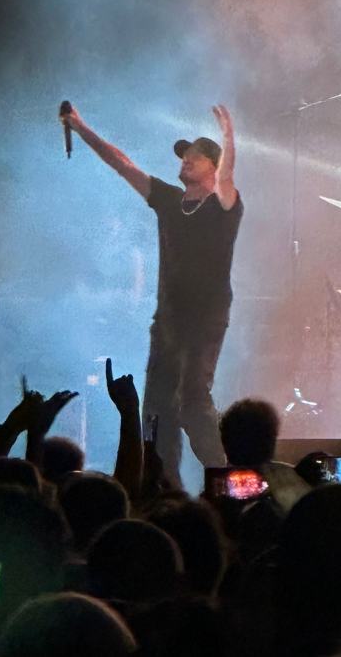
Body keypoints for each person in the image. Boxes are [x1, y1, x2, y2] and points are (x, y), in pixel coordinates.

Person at [61, 104, 243, 484]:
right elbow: (123, 164)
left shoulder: (223, 205)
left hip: (205, 318)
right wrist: (80, 127)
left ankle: (227, 482)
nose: (186, 160)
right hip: (168, 318)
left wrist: (228, 135)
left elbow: (227, 177)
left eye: (195, 155)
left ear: (213, 164)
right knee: (157, 410)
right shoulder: (169, 201)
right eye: (184, 155)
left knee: (192, 399)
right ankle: (163, 486)